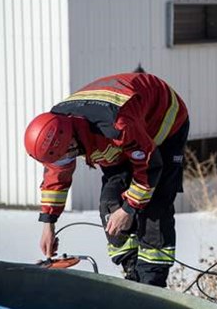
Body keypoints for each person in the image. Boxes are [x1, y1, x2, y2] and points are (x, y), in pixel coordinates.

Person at [24, 70, 189, 287]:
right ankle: (132, 271)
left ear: (71, 140)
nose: (64, 161)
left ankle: (152, 281)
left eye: (66, 155)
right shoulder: (57, 132)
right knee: (110, 204)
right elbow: (57, 176)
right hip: (118, 142)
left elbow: (150, 166)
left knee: (153, 210)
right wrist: (49, 223)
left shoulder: (117, 126)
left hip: (162, 126)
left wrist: (129, 209)